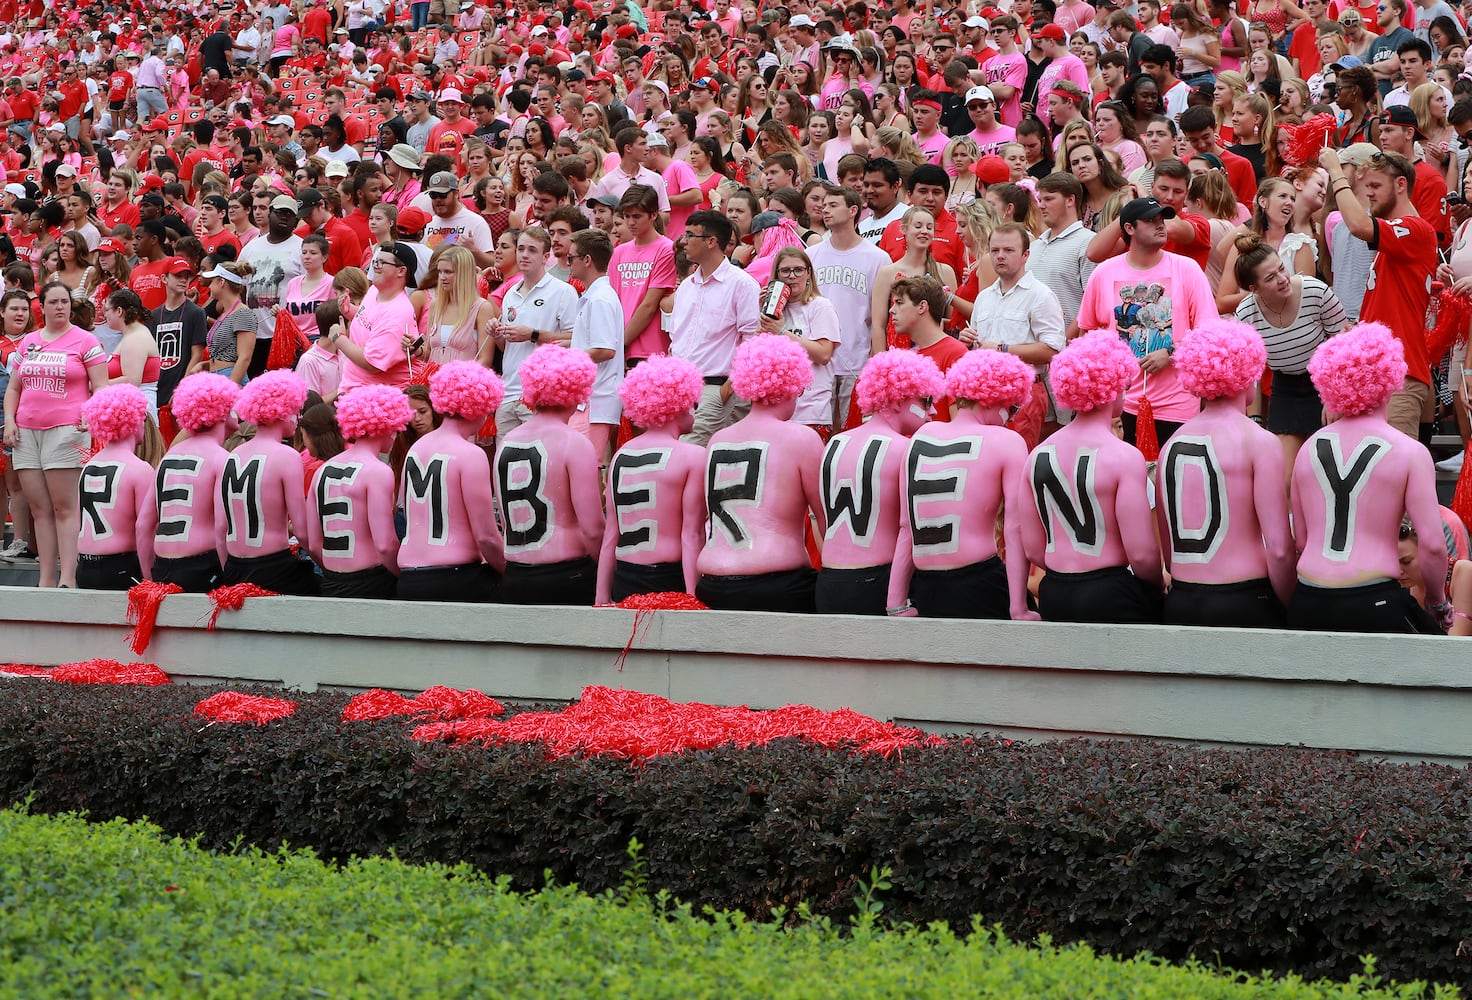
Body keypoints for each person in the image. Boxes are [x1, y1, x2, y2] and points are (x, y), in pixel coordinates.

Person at [1288, 322, 1447, 632]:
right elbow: (1433, 545)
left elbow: (1303, 539)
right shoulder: (1409, 452)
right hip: (1373, 599)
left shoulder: (1308, 449)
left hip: (1308, 597)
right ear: (1391, 376)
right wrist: (1438, 601)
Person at [1155, 319, 1295, 628]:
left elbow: (1168, 548)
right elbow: (1281, 549)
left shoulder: (1171, 446)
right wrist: (1289, 606)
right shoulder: (1260, 441)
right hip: (1244, 598)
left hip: (1182, 598)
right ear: (1248, 376)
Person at [1020, 331, 1165, 623]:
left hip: (1055, 591)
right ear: (1115, 389)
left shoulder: (1037, 456)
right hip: (1111, 591)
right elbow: (1142, 555)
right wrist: (1156, 587)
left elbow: (1034, 548)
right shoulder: (1123, 456)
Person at [888, 349, 1037, 620]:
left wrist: (896, 603)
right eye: (1012, 408)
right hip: (980, 581)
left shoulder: (922, 434)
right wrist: (1019, 609)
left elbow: (906, 526)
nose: (1013, 417)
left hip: (926, 586)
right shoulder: (1007, 441)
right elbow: (1015, 529)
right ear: (995, 399)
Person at [1075, 198, 1217, 450]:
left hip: (1177, 403)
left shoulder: (1187, 269)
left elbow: (1209, 334)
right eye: (1151, 221)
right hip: (1119, 404)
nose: (1160, 225)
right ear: (1129, 228)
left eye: (1162, 219)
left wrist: (1171, 353)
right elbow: (1088, 335)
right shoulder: (1104, 273)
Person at [697, 334, 825, 612]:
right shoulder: (803, 438)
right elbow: (826, 519)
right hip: (778, 585)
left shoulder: (717, 440)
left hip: (712, 584)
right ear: (792, 386)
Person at [1317, 147, 1437, 441]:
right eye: (1365, 186)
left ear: (1400, 185)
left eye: (1375, 186)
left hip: (1400, 376)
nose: (1368, 194)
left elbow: (1359, 225)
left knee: (1392, 475)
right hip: (1377, 374)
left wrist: (1335, 171)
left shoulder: (1416, 229)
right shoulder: (1394, 245)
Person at [815, 351, 941, 615]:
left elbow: (820, 521)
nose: (933, 410)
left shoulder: (834, 444)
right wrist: (896, 603)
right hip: (878, 583)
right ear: (897, 400)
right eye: (926, 400)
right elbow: (909, 529)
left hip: (828, 582)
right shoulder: (906, 448)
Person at [2, 281, 107, 588]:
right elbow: (13, 388)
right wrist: (10, 419)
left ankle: (69, 578)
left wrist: (91, 413)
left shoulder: (86, 341)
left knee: (65, 506)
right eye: (54, 301)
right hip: (26, 432)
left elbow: (100, 386)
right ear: (43, 306)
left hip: (66, 429)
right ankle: (46, 579)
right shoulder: (29, 342)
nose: (61, 306)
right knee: (38, 509)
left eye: (65, 301)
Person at [495, 344, 605, 606]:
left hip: (515, 572)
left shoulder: (506, 442)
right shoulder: (575, 443)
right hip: (566, 573)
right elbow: (593, 529)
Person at [1233, 233, 1351, 475]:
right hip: (1285, 388)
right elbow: (1250, 373)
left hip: (1326, 383)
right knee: (1284, 477)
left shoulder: (1316, 291)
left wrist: (1334, 397)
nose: (1282, 278)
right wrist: (1254, 421)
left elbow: (1343, 345)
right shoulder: (1245, 313)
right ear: (1254, 289)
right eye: (1271, 277)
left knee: (1327, 472)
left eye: (1281, 268)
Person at [595, 355, 708, 604]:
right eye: (694, 403)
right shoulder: (693, 456)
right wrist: (693, 598)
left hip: (625, 576)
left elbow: (611, 533)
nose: (695, 410)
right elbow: (692, 536)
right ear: (679, 404)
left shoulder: (621, 455)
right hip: (670, 577)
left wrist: (601, 598)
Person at [398, 361, 506, 602]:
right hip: (455, 578)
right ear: (479, 407)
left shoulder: (415, 449)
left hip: (409, 579)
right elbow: (487, 537)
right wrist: (509, 573)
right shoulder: (471, 454)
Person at [960, 223, 1066, 449]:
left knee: (1018, 460)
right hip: (984, 393)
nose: (1000, 256)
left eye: (1009, 250)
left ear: (1026, 254)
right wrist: (968, 341)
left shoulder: (1041, 295)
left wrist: (1001, 349)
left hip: (1024, 393)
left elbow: (1052, 350)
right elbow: (979, 347)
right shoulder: (984, 297)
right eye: (995, 250)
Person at [217, 370, 318, 595]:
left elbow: (220, 528)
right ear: (282, 412)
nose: (299, 418)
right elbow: (301, 531)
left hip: (235, 567)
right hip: (273, 567)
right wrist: (326, 566)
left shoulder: (232, 455)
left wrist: (229, 575)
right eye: (295, 410)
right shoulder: (287, 456)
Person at [307, 384, 409, 599]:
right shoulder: (378, 471)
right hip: (371, 579)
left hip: (332, 580)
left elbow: (314, 544)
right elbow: (385, 545)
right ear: (386, 425)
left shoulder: (322, 470)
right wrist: (403, 577)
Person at [669, 210, 762, 445]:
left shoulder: (741, 283)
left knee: (688, 449)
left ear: (711, 242)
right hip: (681, 388)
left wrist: (731, 385)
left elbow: (752, 337)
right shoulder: (687, 286)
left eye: (690, 235)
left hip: (715, 387)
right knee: (683, 456)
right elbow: (676, 338)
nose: (683, 241)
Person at [144, 372, 237, 591]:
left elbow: (143, 526)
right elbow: (222, 526)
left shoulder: (167, 459)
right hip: (203, 566)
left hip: (162, 567)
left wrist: (148, 578)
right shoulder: (221, 458)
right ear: (222, 412)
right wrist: (229, 578)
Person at [811, 184, 889, 432]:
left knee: (850, 431)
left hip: (856, 358)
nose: (825, 210)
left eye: (833, 205)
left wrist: (876, 357)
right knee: (817, 433)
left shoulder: (877, 258)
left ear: (853, 210)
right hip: (817, 359)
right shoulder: (810, 254)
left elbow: (881, 315)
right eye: (824, 205)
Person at [489, 227, 579, 437]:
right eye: (521, 249)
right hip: (509, 391)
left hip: (542, 394)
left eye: (532, 250)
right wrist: (497, 334)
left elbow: (575, 339)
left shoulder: (563, 291)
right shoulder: (510, 293)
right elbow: (507, 347)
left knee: (541, 460)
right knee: (506, 464)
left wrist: (533, 334)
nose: (525, 255)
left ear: (545, 257)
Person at [75, 384, 155, 591]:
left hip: (84, 566)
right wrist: (149, 578)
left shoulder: (89, 466)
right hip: (120, 566)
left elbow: (80, 521)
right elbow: (146, 528)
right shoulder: (139, 469)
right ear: (134, 421)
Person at [331, 242, 419, 395]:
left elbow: (371, 363)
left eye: (382, 263)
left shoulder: (397, 312)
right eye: (375, 261)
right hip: (358, 388)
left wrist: (338, 337)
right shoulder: (374, 290)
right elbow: (372, 321)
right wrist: (350, 311)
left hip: (376, 399)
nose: (375, 266)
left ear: (401, 271)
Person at [567, 229, 624, 463]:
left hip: (595, 400)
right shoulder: (596, 295)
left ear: (587, 260)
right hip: (589, 401)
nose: (567, 262)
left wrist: (566, 359)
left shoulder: (600, 298)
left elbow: (604, 350)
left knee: (584, 468)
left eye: (571, 258)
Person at [236, 194, 305, 377]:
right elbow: (240, 288)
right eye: (280, 212)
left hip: (285, 335)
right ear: (270, 213)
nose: (284, 217)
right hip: (253, 334)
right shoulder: (251, 248)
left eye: (289, 215)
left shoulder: (302, 248)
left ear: (296, 220)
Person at [151, 257, 207, 441]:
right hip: (158, 387)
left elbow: (197, 354)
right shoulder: (154, 315)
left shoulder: (196, 312)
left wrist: (181, 389)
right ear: (164, 279)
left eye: (186, 276)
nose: (184, 280)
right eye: (177, 276)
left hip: (181, 388)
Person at [200, 260, 258, 385]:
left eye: (212, 282)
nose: (209, 287)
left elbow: (244, 358)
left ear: (221, 283)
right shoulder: (226, 313)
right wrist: (204, 365)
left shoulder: (243, 313)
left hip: (231, 379)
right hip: (217, 378)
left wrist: (230, 389)